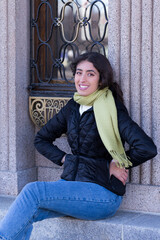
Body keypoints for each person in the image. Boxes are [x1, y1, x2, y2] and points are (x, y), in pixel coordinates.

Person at [0, 52, 157, 239]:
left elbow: (147, 147)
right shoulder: (73, 107)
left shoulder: (112, 109)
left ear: (101, 80)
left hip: (102, 193)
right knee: (26, 212)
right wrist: (64, 158)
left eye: (90, 74)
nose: (82, 79)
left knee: (33, 191)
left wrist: (116, 163)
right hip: (72, 184)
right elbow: (41, 139)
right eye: (79, 72)